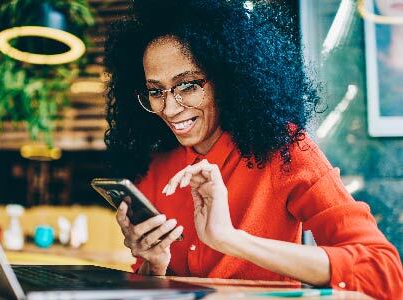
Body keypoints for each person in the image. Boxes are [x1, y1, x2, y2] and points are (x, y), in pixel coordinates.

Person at [103, 1, 403, 299]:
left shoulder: (282, 149)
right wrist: (153, 268)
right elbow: (151, 288)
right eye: (156, 91)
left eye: (188, 85)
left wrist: (231, 240)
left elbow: (383, 273)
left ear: (227, 78)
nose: (168, 108)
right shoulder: (155, 165)